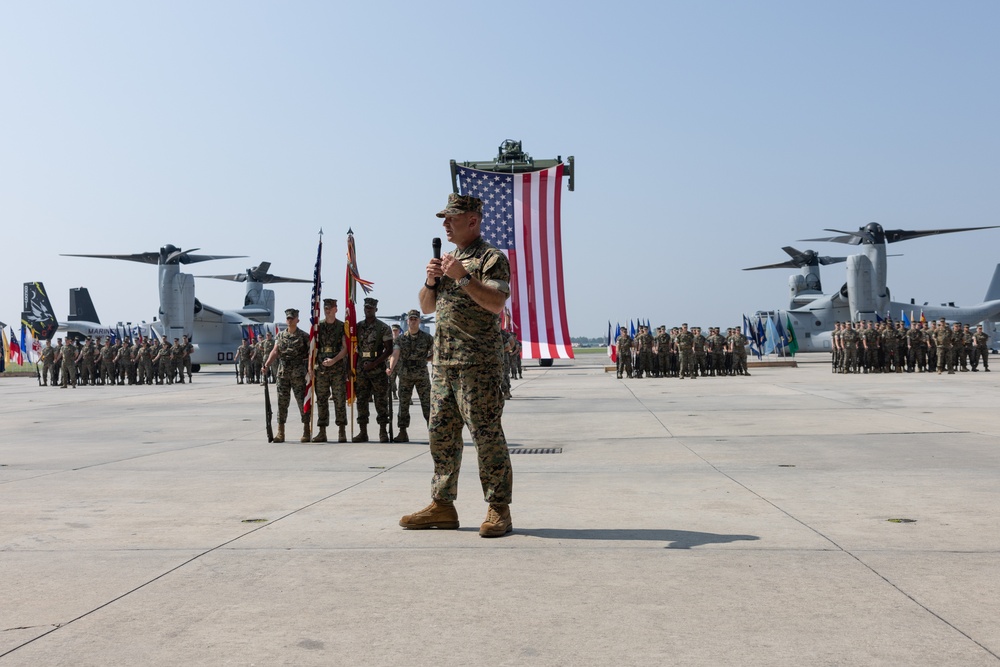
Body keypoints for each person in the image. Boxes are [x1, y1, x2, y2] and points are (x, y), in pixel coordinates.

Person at [399, 193, 514, 538]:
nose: (445, 224)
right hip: (445, 364)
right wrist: (432, 280)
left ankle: (499, 509)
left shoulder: (490, 258)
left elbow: (496, 303)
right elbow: (427, 306)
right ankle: (443, 505)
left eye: (451, 218)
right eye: (444, 219)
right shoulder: (449, 259)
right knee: (441, 436)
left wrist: (462, 276)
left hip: (478, 365)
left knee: (486, 436)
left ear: (473, 221)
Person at [263, 308, 311, 443]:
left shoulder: (304, 336)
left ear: (297, 320)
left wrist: (310, 369)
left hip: (298, 374)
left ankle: (307, 430)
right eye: (288, 318)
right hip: (283, 373)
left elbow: (311, 354)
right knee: (282, 403)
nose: (289, 320)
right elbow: (274, 351)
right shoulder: (280, 336)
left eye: (292, 318)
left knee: (302, 403)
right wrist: (266, 365)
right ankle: (280, 432)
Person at [387, 309, 433, 443]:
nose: (412, 321)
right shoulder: (401, 338)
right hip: (405, 374)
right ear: (407, 321)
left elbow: (436, 351)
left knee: (427, 405)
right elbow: (395, 354)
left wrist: (427, 359)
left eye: (415, 319)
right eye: (411, 319)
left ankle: (432, 433)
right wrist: (391, 368)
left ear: (419, 321)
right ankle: (402, 432)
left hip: (421, 375)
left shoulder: (427, 338)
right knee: (403, 405)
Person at [352, 297, 394, 442]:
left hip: (377, 369)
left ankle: (383, 432)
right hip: (362, 368)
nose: (367, 310)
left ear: (376, 309)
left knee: (380, 401)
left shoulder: (383, 327)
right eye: (366, 307)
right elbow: (352, 347)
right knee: (361, 401)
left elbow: (388, 350)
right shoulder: (358, 327)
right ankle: (363, 431)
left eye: (370, 308)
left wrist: (374, 364)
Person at [312, 298, 349, 443]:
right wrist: (312, 366)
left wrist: (334, 360)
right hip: (321, 368)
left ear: (336, 309)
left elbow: (345, 348)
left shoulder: (341, 326)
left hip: (337, 368)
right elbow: (313, 347)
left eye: (330, 308)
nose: (328, 310)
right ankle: (322, 431)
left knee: (339, 400)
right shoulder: (318, 327)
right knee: (321, 400)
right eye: (326, 308)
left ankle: (342, 431)